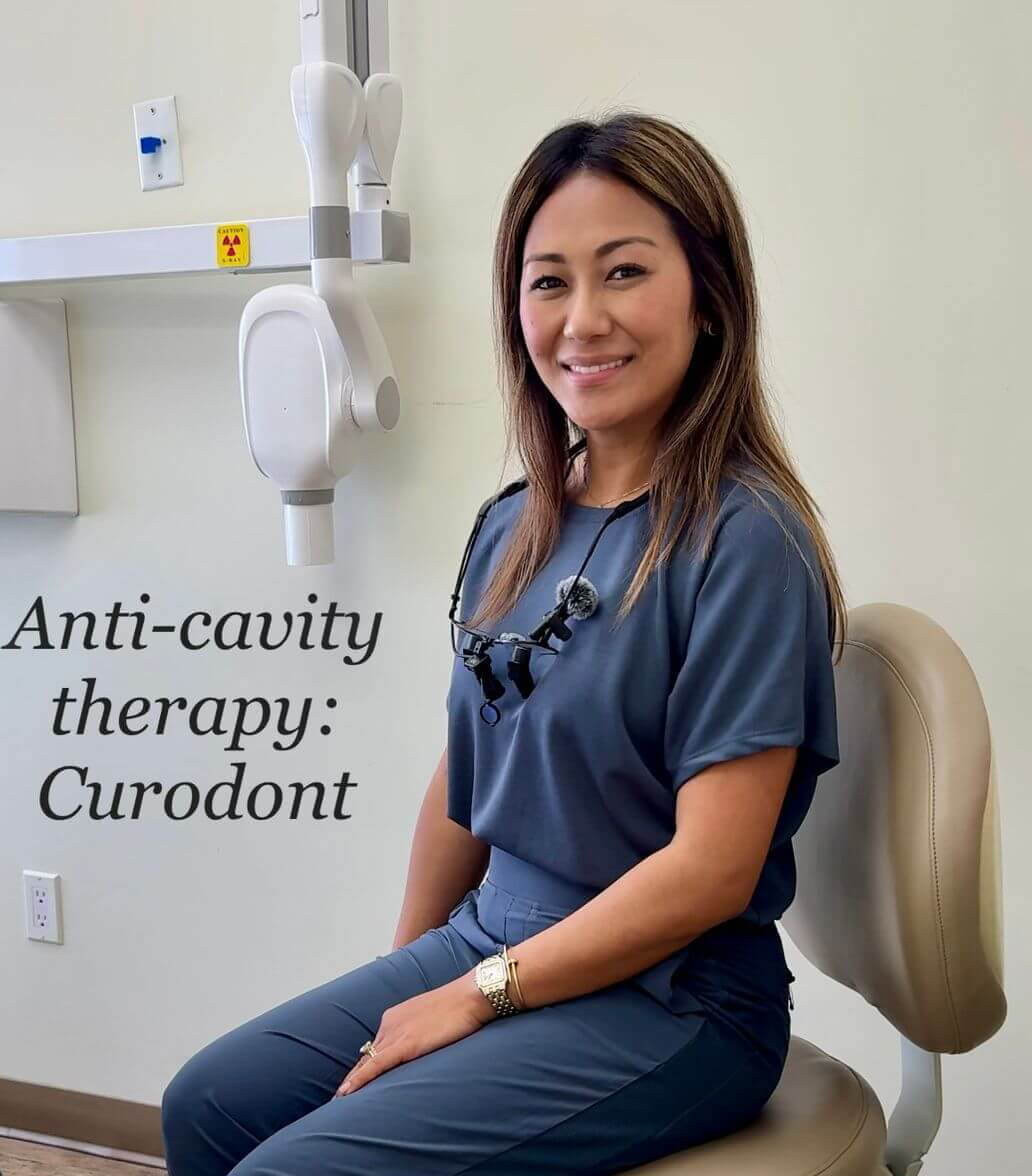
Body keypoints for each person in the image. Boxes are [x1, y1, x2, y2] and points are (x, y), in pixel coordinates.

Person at [160, 109, 847, 1176]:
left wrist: (474, 997)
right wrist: (407, 982)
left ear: (709, 297)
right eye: (548, 282)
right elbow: (464, 774)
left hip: (676, 996)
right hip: (495, 934)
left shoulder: (745, 541)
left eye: (624, 272)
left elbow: (714, 871)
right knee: (207, 1106)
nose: (583, 320)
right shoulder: (515, 523)